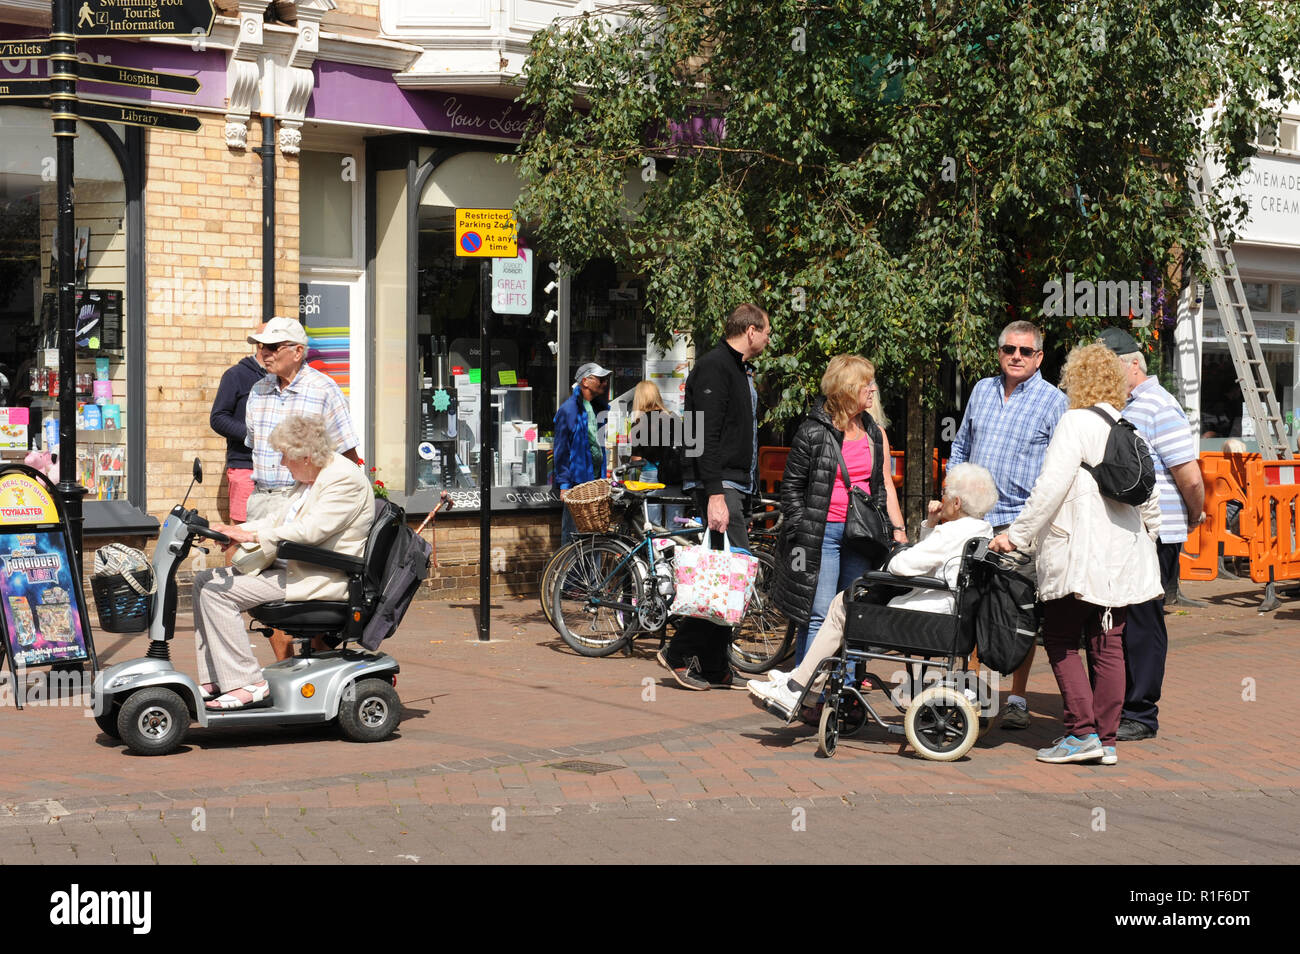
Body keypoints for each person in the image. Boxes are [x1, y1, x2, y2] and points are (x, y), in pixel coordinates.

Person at [990, 343, 1162, 765]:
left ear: (1076, 380)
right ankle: (1105, 741)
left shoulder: (1075, 422)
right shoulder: (1128, 426)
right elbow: (1150, 502)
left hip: (1080, 554)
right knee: (1108, 645)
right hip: (1122, 559)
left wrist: (1018, 535)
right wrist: (1147, 543)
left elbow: (1051, 486)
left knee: (1061, 638)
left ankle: (1080, 732)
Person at [751, 463, 997, 718]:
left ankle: (797, 688)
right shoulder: (981, 530)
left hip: (926, 617)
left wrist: (893, 558)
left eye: (944, 493)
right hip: (947, 612)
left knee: (844, 604)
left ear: (956, 502)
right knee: (843, 604)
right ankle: (802, 685)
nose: (941, 497)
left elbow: (905, 565)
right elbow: (932, 557)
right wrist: (932, 523)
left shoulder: (952, 532)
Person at [196, 415, 374, 711]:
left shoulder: (343, 479)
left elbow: (309, 532)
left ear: (304, 455)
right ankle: (218, 675)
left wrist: (250, 533)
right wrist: (233, 530)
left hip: (322, 575)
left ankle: (247, 683)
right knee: (206, 581)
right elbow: (278, 518)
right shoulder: (311, 477)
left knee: (217, 592)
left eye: (284, 456)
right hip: (296, 568)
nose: (281, 463)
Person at [947, 319, 1067, 730]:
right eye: (1008, 349)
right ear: (999, 352)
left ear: (1039, 357)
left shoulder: (1055, 402)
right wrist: (951, 496)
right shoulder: (982, 390)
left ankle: (1016, 697)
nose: (1015, 357)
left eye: (1025, 351)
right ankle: (973, 692)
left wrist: (1033, 525)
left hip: (1020, 523)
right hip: (974, 520)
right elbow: (961, 444)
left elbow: (1059, 468)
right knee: (969, 603)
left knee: (1017, 611)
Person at [1098, 328, 1206, 742]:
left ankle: (1141, 713)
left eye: (1111, 367)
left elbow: (1189, 476)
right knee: (1123, 618)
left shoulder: (1159, 406)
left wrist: (1195, 516)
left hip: (1157, 533)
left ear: (1134, 365)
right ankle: (1122, 702)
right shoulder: (1125, 404)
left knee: (1143, 621)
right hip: (1130, 533)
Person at [657, 302, 771, 690]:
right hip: (719, 485)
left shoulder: (738, 369)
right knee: (728, 578)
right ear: (751, 330)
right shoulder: (713, 366)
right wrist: (715, 494)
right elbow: (702, 436)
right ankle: (676, 652)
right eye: (767, 331)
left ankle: (714, 665)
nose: (769, 338)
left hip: (734, 484)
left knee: (729, 574)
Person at [773, 355, 907, 673]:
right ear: (848, 389)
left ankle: (844, 694)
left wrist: (895, 529)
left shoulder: (873, 432)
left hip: (860, 536)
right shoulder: (813, 431)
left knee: (854, 611)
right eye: (867, 383)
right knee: (819, 612)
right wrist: (802, 525)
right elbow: (791, 488)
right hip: (822, 533)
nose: (873, 389)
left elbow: (881, 486)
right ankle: (806, 691)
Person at [245, 316, 361, 660]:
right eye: (260, 346)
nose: (263, 353)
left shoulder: (323, 389)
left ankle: (320, 658)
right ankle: (285, 666)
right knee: (260, 588)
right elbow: (253, 445)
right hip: (263, 497)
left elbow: (348, 452)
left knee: (303, 588)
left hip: (305, 501)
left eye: (271, 347)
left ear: (297, 351)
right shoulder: (258, 389)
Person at [210, 327, 266, 522]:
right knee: (240, 535)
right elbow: (218, 418)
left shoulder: (282, 380)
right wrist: (253, 435)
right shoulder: (236, 375)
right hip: (246, 466)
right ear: (260, 344)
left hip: (280, 471)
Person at [554, 362, 612, 545]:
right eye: (600, 379)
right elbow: (561, 449)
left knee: (595, 537)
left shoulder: (597, 408)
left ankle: (592, 575)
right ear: (586, 381)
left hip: (595, 484)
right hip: (576, 485)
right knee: (573, 538)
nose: (605, 383)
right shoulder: (569, 410)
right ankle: (570, 575)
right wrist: (564, 484)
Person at [627, 380, 685, 527]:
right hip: (674, 475)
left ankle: (657, 549)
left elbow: (637, 459)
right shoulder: (674, 418)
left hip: (650, 475)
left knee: (652, 526)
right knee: (675, 524)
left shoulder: (639, 423)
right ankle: (674, 549)